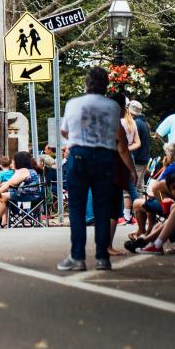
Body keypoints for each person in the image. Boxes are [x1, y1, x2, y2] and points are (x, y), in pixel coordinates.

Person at [57, 67, 136, 272]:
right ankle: (102, 257)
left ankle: (78, 257)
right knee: (103, 207)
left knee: (77, 208)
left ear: (86, 83)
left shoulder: (74, 103)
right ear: (106, 85)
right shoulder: (112, 107)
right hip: (105, 156)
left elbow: (65, 130)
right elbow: (116, 134)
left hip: (80, 155)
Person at [0, 151, 40, 227]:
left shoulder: (23, 171)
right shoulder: (29, 170)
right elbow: (11, 182)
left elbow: (11, 183)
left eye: (13, 161)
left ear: (19, 161)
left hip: (29, 195)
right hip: (34, 194)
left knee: (2, 196)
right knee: (4, 196)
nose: (11, 163)